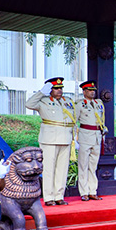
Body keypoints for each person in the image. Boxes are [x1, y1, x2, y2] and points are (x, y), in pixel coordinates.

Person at [26, 77, 76, 206]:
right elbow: (29, 104)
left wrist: (75, 138)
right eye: (56, 88)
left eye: (60, 88)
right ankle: (48, 197)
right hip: (50, 139)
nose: (59, 91)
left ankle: (59, 196)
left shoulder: (67, 101)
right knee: (49, 169)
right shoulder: (43, 101)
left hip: (65, 138)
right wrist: (41, 92)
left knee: (62, 169)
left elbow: (73, 120)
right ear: (50, 90)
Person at [74, 80, 107, 201]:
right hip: (85, 136)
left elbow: (102, 120)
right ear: (84, 92)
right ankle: (84, 192)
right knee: (83, 165)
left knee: (93, 166)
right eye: (89, 90)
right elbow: (74, 121)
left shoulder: (98, 103)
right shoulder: (79, 104)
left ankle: (93, 191)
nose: (92, 92)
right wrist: (74, 139)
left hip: (97, 136)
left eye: (93, 90)